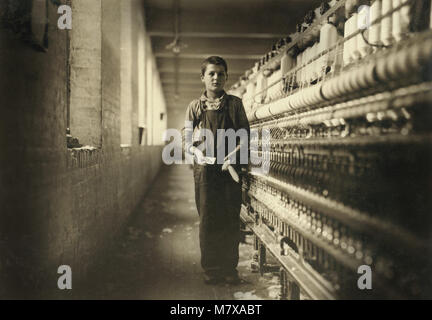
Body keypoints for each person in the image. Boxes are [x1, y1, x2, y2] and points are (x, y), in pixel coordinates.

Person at [182, 56, 250, 285]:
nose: (216, 78)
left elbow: (244, 135)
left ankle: (229, 269)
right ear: (203, 77)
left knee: (230, 218)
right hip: (205, 170)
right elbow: (186, 138)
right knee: (209, 218)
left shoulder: (235, 104)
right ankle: (211, 269)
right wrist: (196, 153)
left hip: (229, 168)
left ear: (226, 77)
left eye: (220, 74)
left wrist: (233, 155)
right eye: (211, 73)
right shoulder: (194, 107)